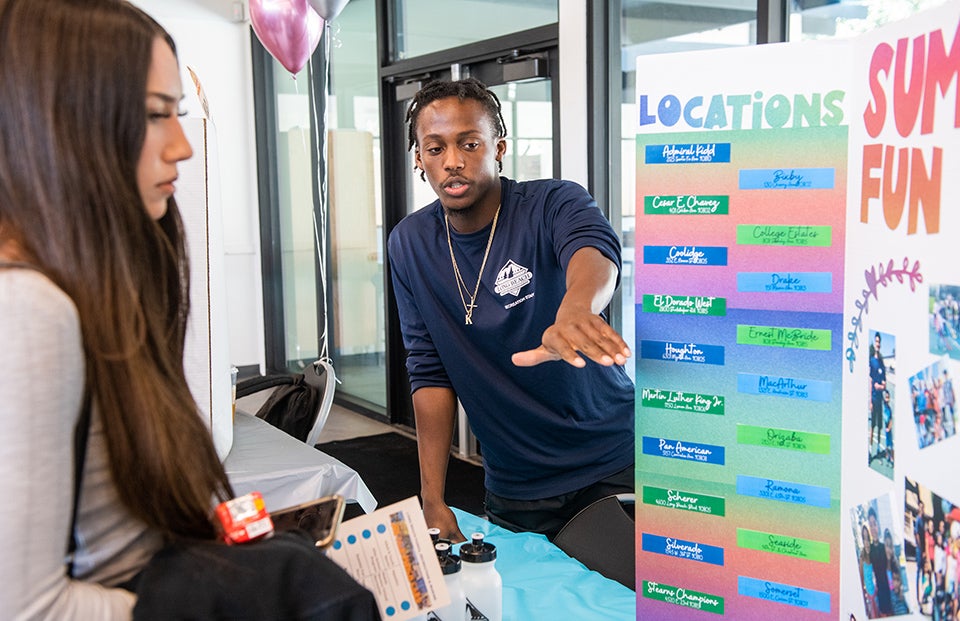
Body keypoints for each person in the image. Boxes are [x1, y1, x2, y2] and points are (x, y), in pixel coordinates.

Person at [0, 1, 232, 617]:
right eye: (157, 116)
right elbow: (29, 607)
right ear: (62, 120)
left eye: (177, 114)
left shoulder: (89, 281)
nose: (182, 147)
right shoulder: (26, 309)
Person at [388, 78, 634, 542]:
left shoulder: (552, 202)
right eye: (435, 149)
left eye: (470, 143)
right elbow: (428, 370)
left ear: (498, 148)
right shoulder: (409, 244)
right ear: (419, 159)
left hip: (612, 461)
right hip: (514, 484)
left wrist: (577, 310)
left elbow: (595, 252)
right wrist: (432, 498)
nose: (453, 161)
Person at [869, 507, 894, 616]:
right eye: (870, 525)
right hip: (879, 595)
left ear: (878, 525)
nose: (873, 528)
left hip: (890, 593)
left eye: (874, 524)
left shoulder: (884, 547)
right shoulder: (868, 551)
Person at [869, 333, 887, 462]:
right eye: (876, 341)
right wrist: (869, 400)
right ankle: (870, 450)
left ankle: (878, 450)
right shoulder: (872, 361)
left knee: (880, 426)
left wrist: (880, 386)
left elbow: (884, 383)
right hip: (874, 399)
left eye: (879, 342)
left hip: (880, 400)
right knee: (873, 426)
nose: (878, 344)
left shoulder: (881, 363)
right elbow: (871, 382)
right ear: (874, 343)